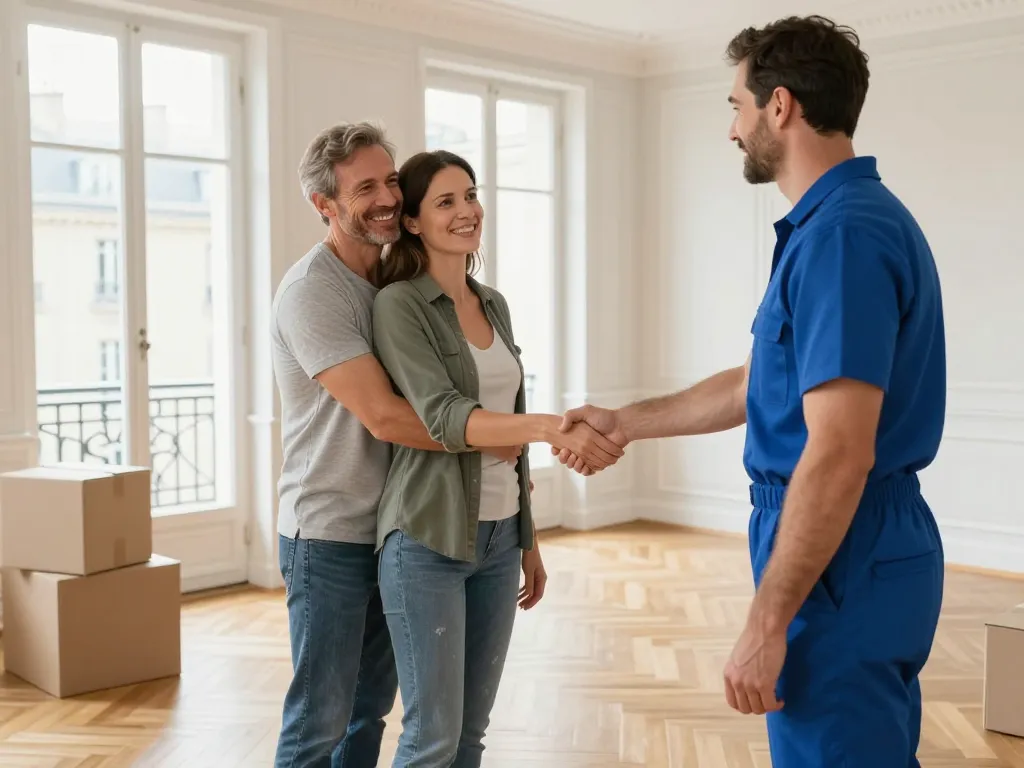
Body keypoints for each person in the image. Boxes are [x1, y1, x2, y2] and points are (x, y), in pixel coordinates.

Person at [556, 15, 946, 768]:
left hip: (841, 547)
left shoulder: (842, 238)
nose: (731, 130)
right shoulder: (836, 225)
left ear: (781, 105)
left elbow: (838, 452)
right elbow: (756, 384)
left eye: (737, 106)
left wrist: (767, 624)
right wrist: (625, 422)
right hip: (851, 542)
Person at [271, 123, 528, 768]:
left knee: (367, 713)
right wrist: (498, 437)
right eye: (365, 188)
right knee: (319, 722)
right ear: (324, 204)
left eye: (390, 180)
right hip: (329, 530)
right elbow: (386, 418)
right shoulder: (313, 292)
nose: (387, 196)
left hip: (399, 524)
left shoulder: (395, 283)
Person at [369, 149, 623, 768]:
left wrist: (527, 541)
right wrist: (549, 429)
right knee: (431, 738)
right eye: (446, 201)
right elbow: (444, 414)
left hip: (501, 540)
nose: (467, 211)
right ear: (412, 221)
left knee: (470, 737)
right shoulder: (400, 305)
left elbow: (506, 426)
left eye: (471, 195)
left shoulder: (494, 304)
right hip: (426, 539)